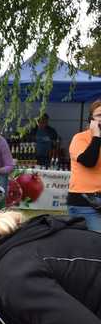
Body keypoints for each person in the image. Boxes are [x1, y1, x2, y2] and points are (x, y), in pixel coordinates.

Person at [67, 100, 101, 233]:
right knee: (96, 244)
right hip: (85, 203)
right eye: (99, 115)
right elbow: (88, 161)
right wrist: (97, 136)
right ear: (90, 119)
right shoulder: (79, 139)